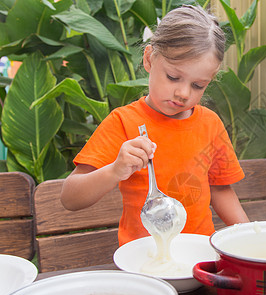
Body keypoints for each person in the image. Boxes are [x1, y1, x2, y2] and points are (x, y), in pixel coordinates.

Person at [60, 5, 249, 246]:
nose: (183, 93)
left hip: (199, 258)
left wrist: (249, 240)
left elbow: (220, 191)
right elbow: (70, 198)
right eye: (173, 77)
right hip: (142, 262)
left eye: (198, 85)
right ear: (149, 58)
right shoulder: (123, 123)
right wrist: (115, 170)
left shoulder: (210, 124)